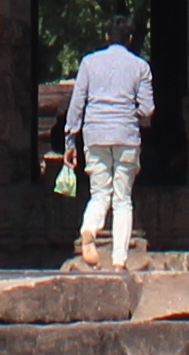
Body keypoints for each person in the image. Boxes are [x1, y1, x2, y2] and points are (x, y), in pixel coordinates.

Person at [64, 18, 159, 270]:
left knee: (99, 194)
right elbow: (148, 109)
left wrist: (69, 140)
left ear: (107, 37)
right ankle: (119, 261)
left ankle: (89, 229)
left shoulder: (89, 63)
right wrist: (128, 114)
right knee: (122, 199)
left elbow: (77, 104)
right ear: (130, 39)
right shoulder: (140, 66)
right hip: (126, 135)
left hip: (94, 135)